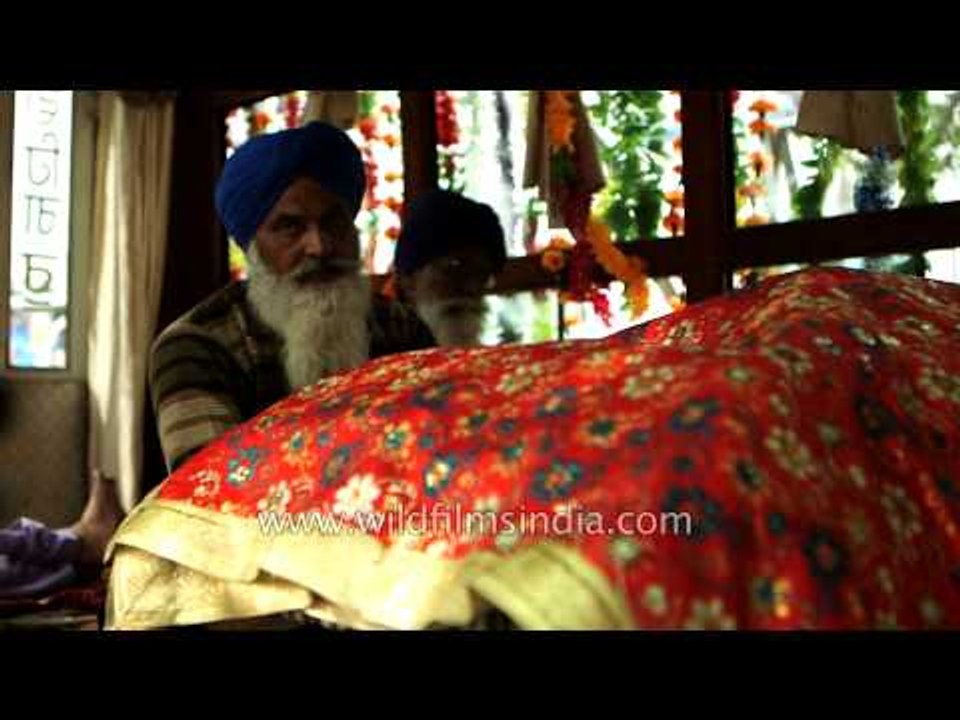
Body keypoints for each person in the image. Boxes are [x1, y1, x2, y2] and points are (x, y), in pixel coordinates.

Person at [150, 122, 435, 472]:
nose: (320, 246)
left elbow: (439, 451)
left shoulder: (401, 328)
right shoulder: (195, 346)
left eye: (334, 222)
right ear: (253, 247)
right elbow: (213, 494)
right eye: (290, 227)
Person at [394, 190, 507, 347]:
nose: (471, 286)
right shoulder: (369, 362)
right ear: (408, 281)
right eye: (454, 268)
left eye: (482, 275)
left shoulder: (490, 366)